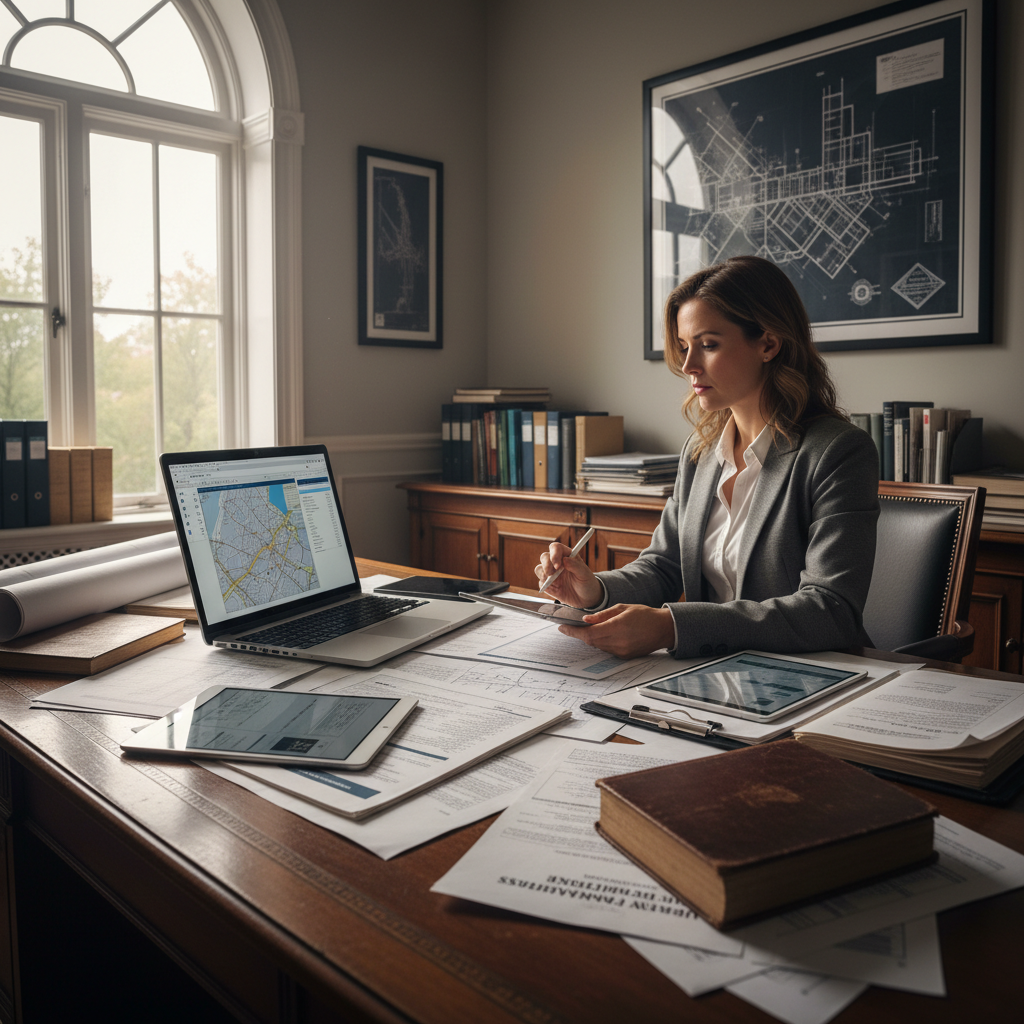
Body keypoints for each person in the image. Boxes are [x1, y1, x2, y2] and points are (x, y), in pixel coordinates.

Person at [535, 254, 879, 661]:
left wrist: (673, 627)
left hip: (806, 674)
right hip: (710, 671)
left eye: (708, 345)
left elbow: (830, 609)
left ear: (768, 343)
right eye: (683, 347)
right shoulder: (700, 453)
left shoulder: (837, 453)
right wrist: (594, 589)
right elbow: (663, 567)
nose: (688, 366)